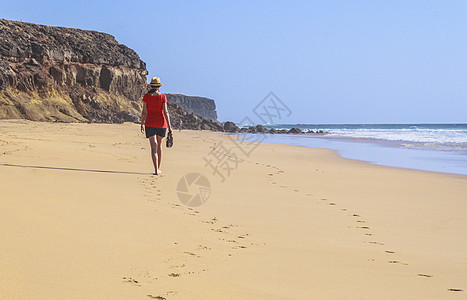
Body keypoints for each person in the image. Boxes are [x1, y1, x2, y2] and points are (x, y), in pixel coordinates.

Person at [140, 77, 172, 175]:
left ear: (151, 86)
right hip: (161, 124)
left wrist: (141, 124)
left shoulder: (147, 97)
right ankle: (158, 168)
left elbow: (144, 112)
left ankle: (155, 170)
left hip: (149, 123)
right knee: (159, 146)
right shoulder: (163, 97)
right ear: (158, 86)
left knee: (153, 147)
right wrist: (170, 127)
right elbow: (166, 112)